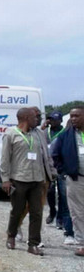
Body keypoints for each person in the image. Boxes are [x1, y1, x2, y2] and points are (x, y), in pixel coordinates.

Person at [1, 107, 55, 256]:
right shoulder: (11, 134)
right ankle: (11, 235)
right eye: (34, 117)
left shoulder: (39, 134)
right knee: (17, 210)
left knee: (37, 212)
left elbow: (46, 155)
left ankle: (33, 244)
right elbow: (5, 159)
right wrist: (5, 179)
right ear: (25, 118)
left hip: (37, 179)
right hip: (19, 179)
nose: (37, 120)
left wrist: (51, 173)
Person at [50, 107, 84, 256]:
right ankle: (82, 243)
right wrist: (64, 171)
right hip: (76, 179)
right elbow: (55, 154)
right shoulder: (65, 136)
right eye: (72, 116)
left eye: (77, 116)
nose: (73, 118)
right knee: (77, 212)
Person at [43, 110, 66, 227]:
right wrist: (43, 126)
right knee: (50, 191)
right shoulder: (45, 132)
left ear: (60, 120)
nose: (52, 121)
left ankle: (60, 218)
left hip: (60, 166)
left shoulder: (65, 132)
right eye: (51, 119)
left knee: (62, 193)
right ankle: (52, 211)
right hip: (48, 166)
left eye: (55, 119)